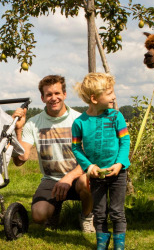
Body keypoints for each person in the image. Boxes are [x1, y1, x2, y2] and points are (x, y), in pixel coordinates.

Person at [11, 75, 93, 231]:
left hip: (77, 176)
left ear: (64, 95)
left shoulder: (80, 119)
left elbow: (91, 158)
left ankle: (87, 217)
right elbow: (20, 160)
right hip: (51, 179)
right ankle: (53, 212)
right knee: (38, 216)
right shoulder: (33, 123)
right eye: (49, 94)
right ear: (42, 98)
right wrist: (18, 129)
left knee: (86, 181)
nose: (53, 98)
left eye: (57, 93)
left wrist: (69, 177)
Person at [70, 73, 130, 250]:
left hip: (118, 173)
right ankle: (101, 245)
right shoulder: (79, 123)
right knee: (99, 212)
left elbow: (125, 141)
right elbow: (76, 147)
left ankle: (119, 248)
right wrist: (89, 167)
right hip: (96, 175)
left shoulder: (116, 116)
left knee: (117, 211)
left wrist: (120, 163)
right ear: (94, 98)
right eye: (109, 93)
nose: (114, 97)